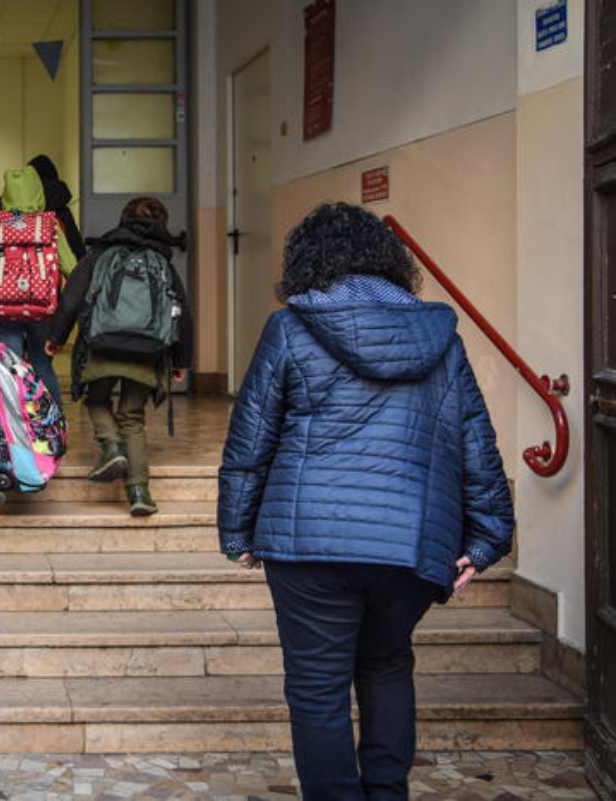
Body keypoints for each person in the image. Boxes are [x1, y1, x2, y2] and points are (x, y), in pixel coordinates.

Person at [217, 203, 515, 800]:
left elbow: (251, 440)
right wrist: (487, 538)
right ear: (388, 262)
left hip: (308, 543)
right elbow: (475, 442)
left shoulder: (290, 329)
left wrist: (239, 531)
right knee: (386, 666)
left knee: (317, 686)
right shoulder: (441, 338)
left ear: (306, 262)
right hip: (408, 545)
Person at [45, 197, 192, 517]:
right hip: (147, 349)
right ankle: (139, 492)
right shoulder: (162, 262)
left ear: (123, 219)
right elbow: (181, 312)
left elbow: (71, 299)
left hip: (103, 344)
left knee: (97, 401)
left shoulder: (100, 254)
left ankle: (110, 446)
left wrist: (55, 338)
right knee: (132, 417)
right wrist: (180, 360)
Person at [0, 165, 78, 407]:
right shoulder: (50, 224)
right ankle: (53, 421)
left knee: (11, 363)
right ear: (38, 192)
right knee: (40, 360)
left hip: (5, 307)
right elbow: (71, 267)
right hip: (42, 305)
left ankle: (17, 424)